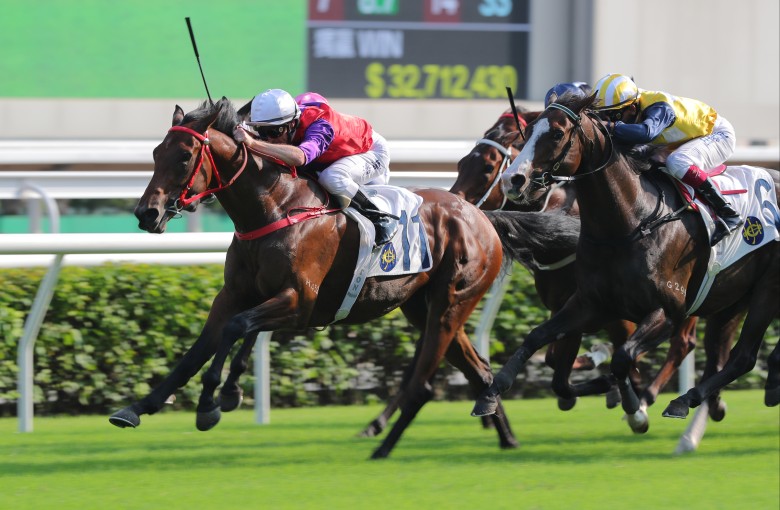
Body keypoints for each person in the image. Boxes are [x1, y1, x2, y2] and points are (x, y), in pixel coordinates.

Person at [592, 73, 741, 245]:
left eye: (612, 115)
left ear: (632, 108)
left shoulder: (659, 107)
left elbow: (646, 133)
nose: (607, 120)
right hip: (683, 139)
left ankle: (728, 213)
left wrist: (611, 127)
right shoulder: (630, 104)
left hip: (717, 134)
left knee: (677, 162)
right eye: (603, 115)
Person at [234, 88, 396, 246]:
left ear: (292, 124)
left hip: (371, 152)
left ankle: (379, 217)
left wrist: (253, 142)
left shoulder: (321, 127)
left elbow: (300, 157)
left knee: (331, 178)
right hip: (336, 156)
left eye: (274, 132)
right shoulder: (284, 123)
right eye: (262, 132)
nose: (268, 139)